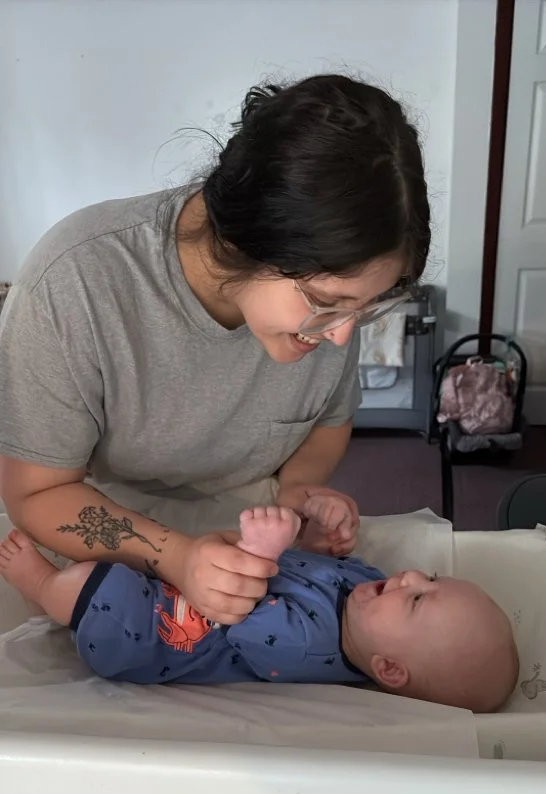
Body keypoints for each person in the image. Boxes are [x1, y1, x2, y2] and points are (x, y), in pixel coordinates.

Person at [0, 73, 431, 626]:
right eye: (327, 303)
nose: (343, 337)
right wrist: (176, 556)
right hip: (107, 519)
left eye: (365, 308)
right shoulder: (76, 282)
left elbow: (326, 421)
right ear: (244, 240)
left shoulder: (330, 303)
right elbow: (36, 494)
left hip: (255, 523)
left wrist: (301, 491)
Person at [0, 497, 519, 713]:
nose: (409, 577)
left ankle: (42, 589)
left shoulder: (309, 649)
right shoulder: (367, 587)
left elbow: (240, 614)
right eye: (430, 578)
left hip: (153, 634)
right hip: (184, 577)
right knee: (123, 548)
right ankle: (55, 601)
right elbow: (309, 567)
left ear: (387, 668)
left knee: (91, 586)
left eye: (417, 601)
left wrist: (262, 551)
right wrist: (320, 539)